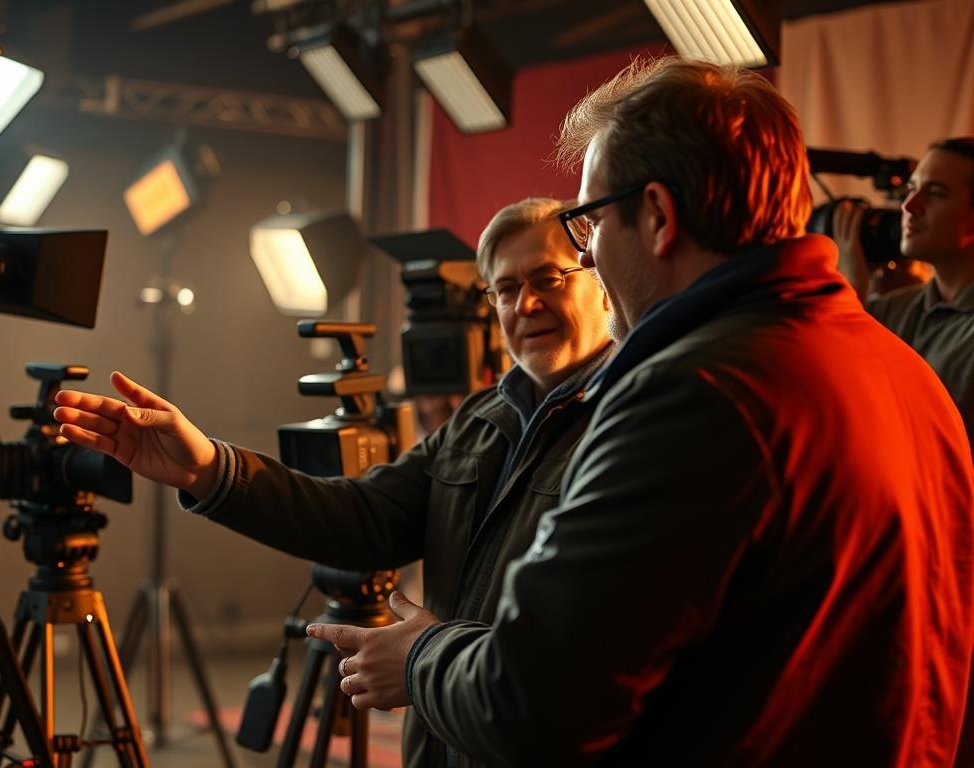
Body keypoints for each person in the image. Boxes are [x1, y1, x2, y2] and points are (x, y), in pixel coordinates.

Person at [306, 59, 974, 767]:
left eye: (588, 223)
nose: (588, 257)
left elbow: (531, 703)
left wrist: (420, 655)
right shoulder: (897, 363)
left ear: (656, 215)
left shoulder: (696, 394)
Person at [53, 197, 615, 768]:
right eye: (504, 289)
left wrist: (422, 657)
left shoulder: (630, 428)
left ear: (600, 279)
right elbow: (366, 517)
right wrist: (205, 467)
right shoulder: (479, 420)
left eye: (548, 278)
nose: (526, 303)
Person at [835, 137, 974, 447]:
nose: (910, 206)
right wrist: (851, 293)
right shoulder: (889, 311)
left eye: (936, 193)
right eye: (911, 189)